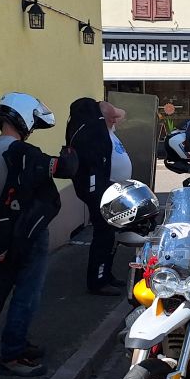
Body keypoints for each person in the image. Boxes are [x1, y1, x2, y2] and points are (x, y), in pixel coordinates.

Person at [0, 93, 77, 377]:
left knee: (11, 288)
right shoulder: (24, 152)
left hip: (4, 236)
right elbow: (66, 168)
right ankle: (12, 355)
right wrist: (73, 148)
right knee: (27, 294)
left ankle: (19, 343)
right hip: (31, 234)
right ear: (24, 118)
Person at [66, 98, 124, 296]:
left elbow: (121, 114)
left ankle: (105, 274)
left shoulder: (97, 128)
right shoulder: (94, 132)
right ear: (102, 116)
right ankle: (98, 281)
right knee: (104, 235)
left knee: (108, 235)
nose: (115, 120)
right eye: (111, 117)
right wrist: (101, 195)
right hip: (99, 193)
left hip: (104, 190)